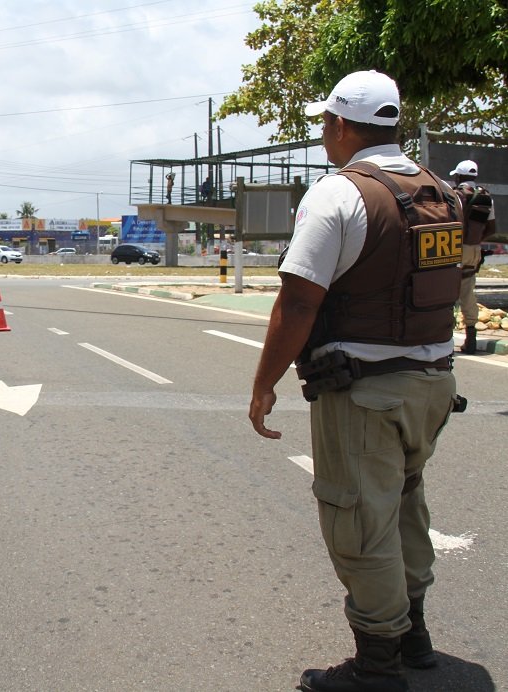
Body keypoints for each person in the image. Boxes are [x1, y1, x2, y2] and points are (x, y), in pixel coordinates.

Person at [248, 71, 461, 692]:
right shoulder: (438, 190)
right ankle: (414, 634)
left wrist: (265, 384)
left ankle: (378, 666)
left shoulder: (337, 195)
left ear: (342, 126)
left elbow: (298, 302)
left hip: (365, 393)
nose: (322, 134)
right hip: (433, 385)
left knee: (359, 522)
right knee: (403, 506)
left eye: (324, 124)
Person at [447, 159, 497, 354]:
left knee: (446, 290)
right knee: (467, 291)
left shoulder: (455, 196)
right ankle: (471, 336)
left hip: (454, 249)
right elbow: (492, 228)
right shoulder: (486, 197)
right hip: (473, 249)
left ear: (459, 177)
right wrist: (474, 241)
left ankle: (443, 337)